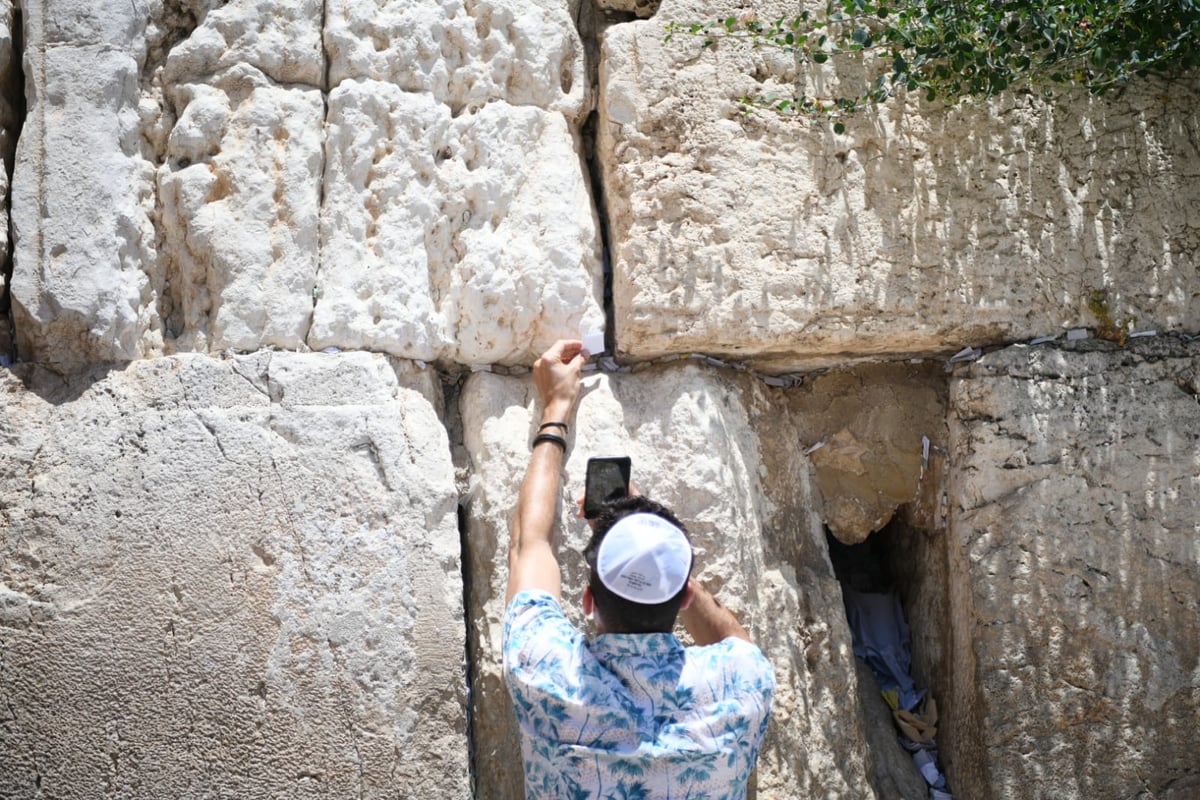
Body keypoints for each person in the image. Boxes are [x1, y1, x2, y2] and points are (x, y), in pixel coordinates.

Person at [502, 339, 776, 799]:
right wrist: (659, 555)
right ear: (684, 594)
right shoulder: (740, 682)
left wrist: (556, 409)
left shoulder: (547, 672)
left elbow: (530, 546)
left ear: (587, 602)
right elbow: (736, 644)